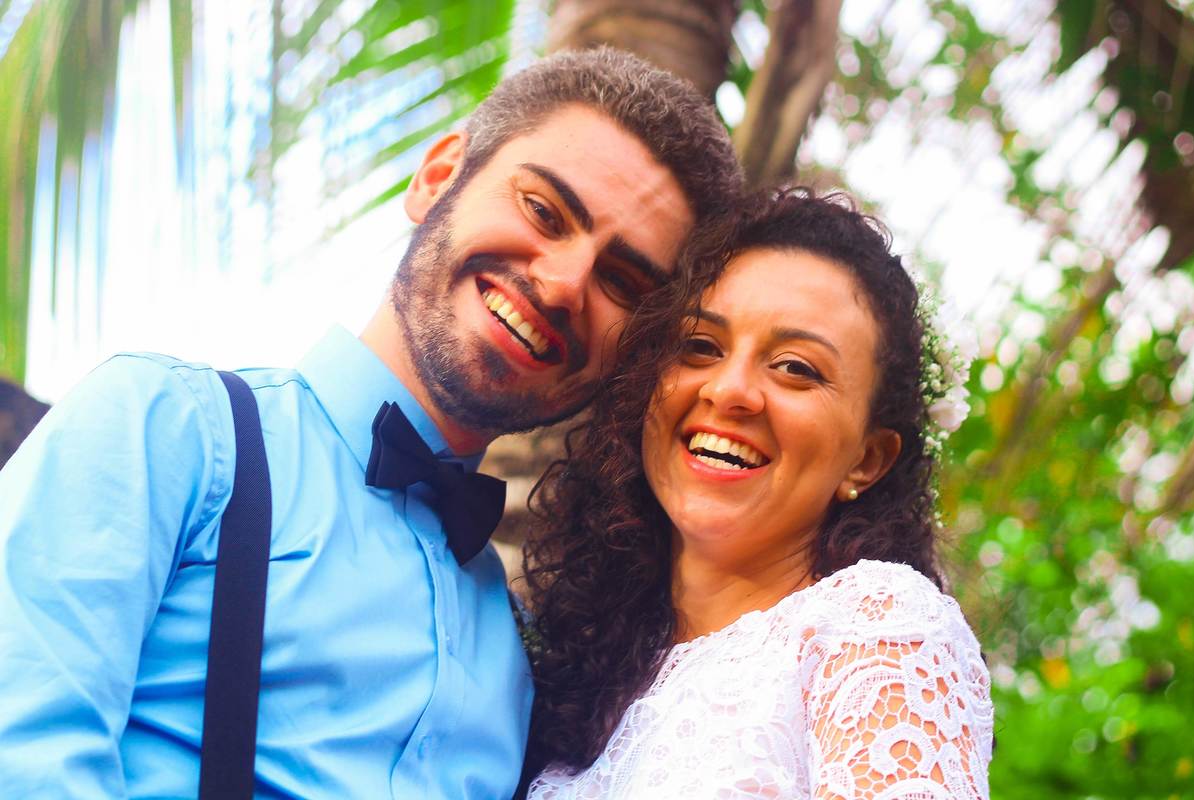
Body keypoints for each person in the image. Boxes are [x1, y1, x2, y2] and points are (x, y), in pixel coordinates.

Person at [0, 48, 742, 798]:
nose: (560, 284)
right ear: (437, 177)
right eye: (543, 211)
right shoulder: (168, 430)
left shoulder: (521, 647)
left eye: (621, 281)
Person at [522, 188, 994, 798]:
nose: (729, 390)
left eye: (796, 367)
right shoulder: (587, 664)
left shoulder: (876, 626)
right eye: (701, 347)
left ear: (867, 459)